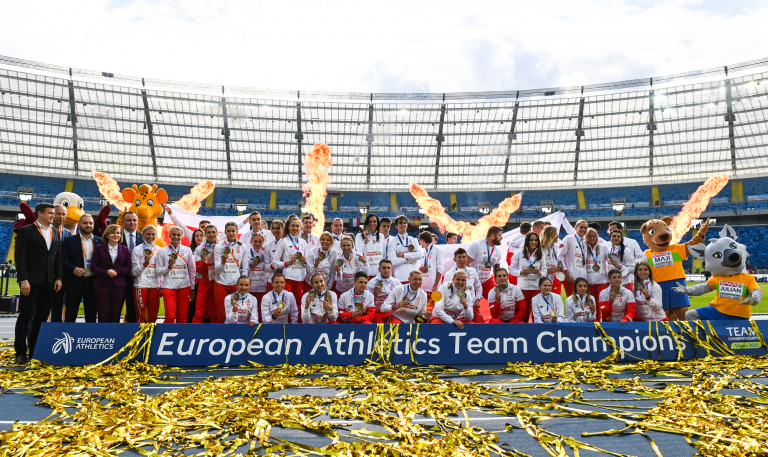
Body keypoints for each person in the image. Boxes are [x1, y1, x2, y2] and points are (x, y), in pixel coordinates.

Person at [14, 203, 63, 364]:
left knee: (42, 317)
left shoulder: (55, 232)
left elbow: (57, 258)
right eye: (50, 213)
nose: (53, 216)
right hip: (30, 282)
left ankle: (35, 349)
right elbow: (20, 258)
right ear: (40, 213)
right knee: (26, 316)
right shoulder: (26, 231)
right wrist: (23, 280)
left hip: (49, 282)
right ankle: (20, 352)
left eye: (54, 213)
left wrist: (58, 278)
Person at [60, 214, 102, 323]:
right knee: (71, 313)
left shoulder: (100, 241)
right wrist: (73, 269)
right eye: (85, 223)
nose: (88, 225)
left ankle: (90, 337)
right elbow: (62, 260)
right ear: (79, 224)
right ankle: (69, 337)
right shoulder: (69, 241)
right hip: (74, 281)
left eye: (90, 223)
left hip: (92, 282)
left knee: (91, 313)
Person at [91, 224, 132, 324]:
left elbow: (128, 267)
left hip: (119, 286)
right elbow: (94, 267)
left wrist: (117, 272)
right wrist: (106, 272)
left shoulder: (125, 249)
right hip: (102, 286)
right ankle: (103, 336)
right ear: (107, 235)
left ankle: (114, 337)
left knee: (115, 314)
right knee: (103, 313)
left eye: (118, 233)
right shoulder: (99, 248)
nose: (116, 235)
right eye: (113, 232)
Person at [155, 226, 196, 323]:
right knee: (170, 316)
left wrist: (192, 288)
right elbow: (157, 272)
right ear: (169, 235)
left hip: (184, 287)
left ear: (182, 236)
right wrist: (168, 267)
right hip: (169, 287)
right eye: (173, 234)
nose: (176, 237)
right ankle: (165, 336)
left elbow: (192, 271)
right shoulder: (162, 251)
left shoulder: (187, 250)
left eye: (178, 235)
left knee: (182, 317)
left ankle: (180, 337)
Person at [271, 215, 308, 320]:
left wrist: (304, 261)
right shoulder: (283, 241)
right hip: (287, 278)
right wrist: (287, 263)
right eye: (293, 226)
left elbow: (307, 263)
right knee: (285, 305)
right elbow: (275, 262)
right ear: (288, 227)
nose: (295, 228)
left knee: (299, 306)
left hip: (300, 278)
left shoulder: (303, 243)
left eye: (297, 226)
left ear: (300, 227)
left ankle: (297, 327)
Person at [213, 222, 247, 323]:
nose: (231, 233)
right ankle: (221, 335)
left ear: (237, 232)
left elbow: (245, 267)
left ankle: (233, 335)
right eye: (229, 231)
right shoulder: (219, 246)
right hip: (220, 282)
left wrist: (244, 284)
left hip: (236, 284)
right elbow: (217, 270)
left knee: (236, 310)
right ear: (225, 232)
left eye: (233, 231)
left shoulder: (243, 247)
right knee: (221, 312)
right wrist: (223, 262)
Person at [509, 231, 548, 321]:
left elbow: (544, 271)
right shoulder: (519, 253)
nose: (534, 242)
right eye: (531, 240)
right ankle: (524, 329)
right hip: (523, 287)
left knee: (537, 311)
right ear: (527, 241)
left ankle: (536, 329)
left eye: (536, 240)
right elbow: (511, 269)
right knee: (524, 311)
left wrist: (539, 273)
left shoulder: (541, 255)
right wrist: (521, 272)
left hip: (536, 288)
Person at [442, 248, 483, 321]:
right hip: (455, 308)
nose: (462, 259)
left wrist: (477, 299)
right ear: (454, 259)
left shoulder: (472, 271)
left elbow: (479, 287)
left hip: (470, 306)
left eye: (464, 257)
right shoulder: (449, 274)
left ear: (467, 258)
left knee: (481, 324)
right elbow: (445, 292)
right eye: (459, 257)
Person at [132, 225, 161, 323]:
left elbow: (161, 271)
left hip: (155, 286)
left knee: (153, 316)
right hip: (141, 285)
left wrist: (161, 286)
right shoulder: (137, 249)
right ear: (143, 235)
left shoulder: (160, 250)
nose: (150, 236)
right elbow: (134, 272)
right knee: (140, 315)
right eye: (148, 234)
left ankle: (152, 337)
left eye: (153, 234)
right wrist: (145, 264)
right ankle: (139, 337)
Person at [467, 226, 503, 298]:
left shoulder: (498, 251)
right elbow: (465, 263)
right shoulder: (477, 245)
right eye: (499, 235)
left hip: (486, 281)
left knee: (497, 298)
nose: (501, 238)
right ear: (492, 236)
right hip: (472, 281)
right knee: (472, 305)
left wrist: (498, 282)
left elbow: (496, 267)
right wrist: (472, 276)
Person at [192, 224, 218, 323]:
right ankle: (194, 334)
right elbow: (198, 270)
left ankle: (216, 335)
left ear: (216, 233)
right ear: (205, 234)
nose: (211, 234)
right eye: (208, 232)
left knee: (215, 311)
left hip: (217, 281)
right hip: (205, 282)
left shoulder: (221, 246)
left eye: (213, 232)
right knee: (199, 311)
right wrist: (204, 264)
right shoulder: (200, 249)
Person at [50, 204, 72, 322]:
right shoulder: (45, 230)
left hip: (62, 275)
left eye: (64, 214)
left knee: (58, 308)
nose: (61, 216)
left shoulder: (68, 233)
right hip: (46, 274)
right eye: (58, 213)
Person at [388, 215, 424, 283]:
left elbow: (419, 255)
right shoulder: (392, 242)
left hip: (414, 279)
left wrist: (404, 255)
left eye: (405, 223)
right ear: (396, 226)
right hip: (399, 279)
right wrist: (409, 256)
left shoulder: (414, 240)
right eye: (401, 223)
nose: (403, 225)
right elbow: (392, 261)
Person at [558, 219, 588, 296]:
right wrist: (566, 273)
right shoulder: (569, 238)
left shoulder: (584, 243)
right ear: (575, 228)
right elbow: (560, 256)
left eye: (585, 228)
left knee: (581, 301)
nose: (583, 230)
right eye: (581, 227)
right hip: (570, 277)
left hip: (582, 278)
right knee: (571, 301)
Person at [242, 233, 269, 316]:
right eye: (255, 241)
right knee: (249, 310)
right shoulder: (247, 253)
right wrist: (251, 266)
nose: (257, 243)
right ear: (251, 241)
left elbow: (268, 268)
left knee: (261, 311)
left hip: (262, 288)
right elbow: (244, 269)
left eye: (260, 241)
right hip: (250, 288)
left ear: (263, 242)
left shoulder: (265, 254)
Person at [120, 211, 140, 323]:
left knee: (133, 310)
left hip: (136, 280)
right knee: (116, 309)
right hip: (119, 278)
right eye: (129, 220)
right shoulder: (116, 236)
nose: (132, 222)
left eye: (134, 220)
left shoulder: (142, 237)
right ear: (123, 222)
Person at [366, 258, 400, 323]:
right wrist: (375, 294)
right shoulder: (371, 283)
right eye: (384, 268)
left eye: (388, 268)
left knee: (395, 323)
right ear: (379, 269)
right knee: (380, 328)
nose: (386, 270)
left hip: (391, 312)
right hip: (377, 313)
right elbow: (366, 302)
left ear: (391, 269)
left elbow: (401, 298)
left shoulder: (396, 282)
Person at [584, 228, 609, 300]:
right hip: (589, 282)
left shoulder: (603, 247)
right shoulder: (583, 247)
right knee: (593, 305)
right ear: (586, 237)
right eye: (589, 236)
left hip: (602, 281)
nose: (592, 238)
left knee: (603, 303)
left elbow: (610, 262)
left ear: (597, 237)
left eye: (594, 236)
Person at [540, 225, 565, 295]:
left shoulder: (556, 247)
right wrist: (549, 270)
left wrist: (560, 274)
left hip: (555, 278)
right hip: (543, 280)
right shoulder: (540, 249)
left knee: (556, 300)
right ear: (550, 235)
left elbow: (557, 261)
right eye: (556, 234)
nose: (558, 236)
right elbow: (536, 266)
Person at [187, 228, 205, 322]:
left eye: (201, 235)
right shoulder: (188, 250)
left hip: (204, 282)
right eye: (196, 236)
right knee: (192, 305)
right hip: (192, 283)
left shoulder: (209, 249)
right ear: (193, 238)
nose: (199, 237)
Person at [418, 231, 444, 296]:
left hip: (433, 287)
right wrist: (420, 269)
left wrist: (435, 285)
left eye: (420, 241)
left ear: (422, 240)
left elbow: (440, 270)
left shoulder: (438, 250)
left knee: (433, 306)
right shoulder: (423, 252)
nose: (420, 243)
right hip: (424, 286)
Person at [264, 220, 284, 286]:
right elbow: (266, 267)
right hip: (272, 280)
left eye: (278, 228)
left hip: (286, 279)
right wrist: (272, 266)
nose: (275, 230)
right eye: (273, 228)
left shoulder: (288, 243)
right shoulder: (268, 246)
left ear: (283, 229)